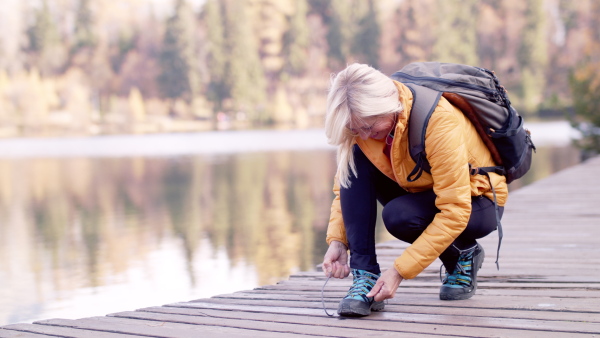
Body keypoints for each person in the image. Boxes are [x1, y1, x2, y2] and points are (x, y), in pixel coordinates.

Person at [322, 63, 508, 317]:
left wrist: (399, 271)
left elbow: (455, 210)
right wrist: (338, 241)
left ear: (390, 106)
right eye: (356, 129)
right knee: (354, 159)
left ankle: (466, 254)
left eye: (370, 126)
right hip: (422, 189)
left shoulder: (438, 120)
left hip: (478, 200)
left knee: (401, 218)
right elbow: (345, 189)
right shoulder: (360, 128)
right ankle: (364, 275)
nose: (364, 135)